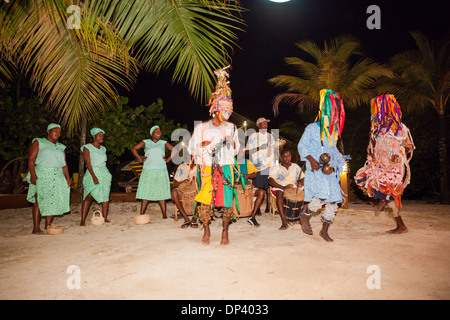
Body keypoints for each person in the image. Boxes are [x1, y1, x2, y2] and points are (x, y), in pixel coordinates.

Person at [187, 66, 240, 246]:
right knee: (205, 203)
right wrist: (204, 146)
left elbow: (236, 149)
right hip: (208, 170)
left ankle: (225, 233)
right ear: (216, 109)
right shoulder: (201, 128)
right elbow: (191, 149)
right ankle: (207, 230)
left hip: (225, 168)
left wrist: (230, 143)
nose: (228, 114)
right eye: (225, 110)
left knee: (227, 202)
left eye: (229, 111)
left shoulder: (231, 127)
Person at [355, 94, 414, 234]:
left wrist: (399, 154)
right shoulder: (376, 130)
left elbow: (409, 146)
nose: (384, 119)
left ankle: (400, 224)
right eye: (382, 116)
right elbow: (371, 147)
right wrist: (371, 156)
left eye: (387, 116)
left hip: (394, 167)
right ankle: (382, 200)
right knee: (362, 178)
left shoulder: (401, 129)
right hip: (378, 165)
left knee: (388, 192)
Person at [297, 89, 346, 242]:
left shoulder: (333, 133)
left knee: (333, 201)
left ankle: (324, 231)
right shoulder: (311, 128)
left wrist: (340, 161)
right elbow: (301, 147)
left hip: (329, 172)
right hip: (315, 170)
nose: (333, 117)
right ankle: (304, 217)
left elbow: (334, 150)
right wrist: (311, 160)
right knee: (318, 198)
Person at [26, 123, 71, 234]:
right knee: (40, 200)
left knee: (52, 200)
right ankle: (36, 227)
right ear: (48, 131)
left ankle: (48, 225)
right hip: (42, 174)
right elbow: (31, 159)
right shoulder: (39, 142)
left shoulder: (61, 147)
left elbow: (64, 164)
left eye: (59, 131)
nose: (57, 133)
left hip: (58, 175)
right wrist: (32, 174)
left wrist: (67, 178)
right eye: (55, 130)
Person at [131, 125, 174, 219]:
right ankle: (142, 214)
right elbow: (133, 149)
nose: (159, 133)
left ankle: (164, 215)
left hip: (161, 170)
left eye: (160, 131)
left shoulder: (163, 142)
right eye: (156, 131)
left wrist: (168, 160)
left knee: (161, 192)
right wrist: (140, 159)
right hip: (148, 170)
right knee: (146, 192)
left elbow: (175, 150)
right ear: (152, 133)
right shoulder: (146, 142)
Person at [247, 117, 285, 215]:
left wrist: (279, 146)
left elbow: (273, 149)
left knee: (268, 186)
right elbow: (247, 151)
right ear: (259, 125)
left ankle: (270, 207)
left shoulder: (270, 136)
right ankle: (257, 208)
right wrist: (260, 148)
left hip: (269, 165)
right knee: (258, 187)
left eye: (266, 123)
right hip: (258, 166)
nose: (266, 125)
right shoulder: (253, 136)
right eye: (264, 123)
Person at [80, 128, 112, 226]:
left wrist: (108, 175)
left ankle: (105, 218)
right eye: (99, 135)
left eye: (102, 135)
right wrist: (94, 176)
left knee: (105, 195)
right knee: (89, 196)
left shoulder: (103, 149)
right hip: (92, 172)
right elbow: (88, 162)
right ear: (94, 136)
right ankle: (82, 220)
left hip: (104, 173)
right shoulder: (87, 147)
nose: (101, 137)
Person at [268, 149, 304, 230]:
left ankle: (300, 217)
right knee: (279, 194)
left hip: (293, 187)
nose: (287, 158)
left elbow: (302, 178)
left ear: (291, 157)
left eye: (289, 156)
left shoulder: (295, 166)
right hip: (280, 186)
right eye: (285, 156)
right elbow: (270, 180)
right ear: (281, 157)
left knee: (306, 192)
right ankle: (284, 222)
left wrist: (301, 182)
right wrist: (283, 187)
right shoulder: (276, 167)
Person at [171, 159, 198, 228]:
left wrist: (196, 179)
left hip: (196, 189)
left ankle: (194, 219)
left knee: (204, 193)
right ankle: (186, 219)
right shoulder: (182, 167)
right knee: (174, 192)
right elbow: (175, 183)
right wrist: (182, 181)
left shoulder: (199, 166)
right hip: (183, 190)